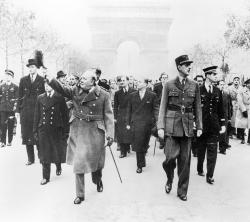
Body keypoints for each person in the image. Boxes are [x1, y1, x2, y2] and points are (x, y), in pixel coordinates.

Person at [47, 69, 114, 204]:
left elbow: (108, 116)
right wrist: (49, 78)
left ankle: (97, 179)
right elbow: (61, 88)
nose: (81, 80)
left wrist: (110, 135)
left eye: (84, 79)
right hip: (78, 129)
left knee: (96, 164)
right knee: (79, 163)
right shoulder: (75, 90)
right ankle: (80, 194)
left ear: (93, 81)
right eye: (81, 78)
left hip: (95, 131)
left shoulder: (104, 95)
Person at [157, 55, 202, 201]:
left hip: (187, 126)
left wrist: (199, 126)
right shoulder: (169, 84)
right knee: (169, 158)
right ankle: (170, 178)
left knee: (185, 161)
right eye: (186, 65)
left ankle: (182, 190)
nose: (189, 67)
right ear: (179, 67)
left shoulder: (194, 85)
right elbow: (162, 107)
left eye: (190, 64)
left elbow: (198, 108)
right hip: (171, 126)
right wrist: (160, 127)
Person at [33, 82, 69, 185]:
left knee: (56, 150)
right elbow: (37, 114)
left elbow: (65, 115)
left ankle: (58, 165)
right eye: (45, 85)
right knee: (44, 153)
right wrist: (35, 130)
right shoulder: (40, 98)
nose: (46, 87)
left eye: (48, 85)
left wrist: (66, 131)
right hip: (43, 129)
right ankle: (45, 177)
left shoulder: (59, 98)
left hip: (56, 129)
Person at [196, 66, 225, 185]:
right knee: (201, 150)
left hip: (214, 126)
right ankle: (199, 168)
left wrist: (222, 124)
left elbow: (221, 110)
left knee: (212, 150)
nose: (215, 76)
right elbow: (195, 108)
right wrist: (195, 123)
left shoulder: (218, 91)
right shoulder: (199, 90)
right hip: (202, 126)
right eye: (213, 74)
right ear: (207, 75)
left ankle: (210, 175)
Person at [126, 78, 159, 173]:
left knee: (145, 143)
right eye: (137, 82)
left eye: (140, 82)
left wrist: (157, 122)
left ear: (145, 84)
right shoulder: (132, 95)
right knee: (139, 143)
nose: (138, 84)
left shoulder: (152, 95)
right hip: (136, 123)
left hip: (148, 124)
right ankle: (139, 165)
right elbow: (129, 110)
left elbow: (156, 109)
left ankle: (143, 152)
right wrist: (128, 123)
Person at [18, 58, 45, 165]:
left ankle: (41, 157)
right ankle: (30, 159)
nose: (31, 69)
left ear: (36, 68)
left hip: (38, 111)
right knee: (27, 134)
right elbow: (19, 96)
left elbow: (44, 96)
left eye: (33, 67)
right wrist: (18, 110)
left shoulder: (42, 80)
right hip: (26, 112)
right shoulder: (23, 80)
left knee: (38, 134)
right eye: (29, 67)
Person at [114, 76, 136, 158]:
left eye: (123, 80)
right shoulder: (117, 93)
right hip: (121, 115)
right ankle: (123, 152)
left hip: (131, 114)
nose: (122, 82)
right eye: (120, 81)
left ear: (127, 81)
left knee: (129, 132)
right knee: (121, 133)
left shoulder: (133, 91)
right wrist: (115, 117)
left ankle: (127, 146)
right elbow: (115, 106)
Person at [0, 70, 18, 147]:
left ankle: (9, 140)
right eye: (6, 76)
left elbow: (17, 99)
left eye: (9, 76)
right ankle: (3, 142)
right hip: (3, 109)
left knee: (10, 125)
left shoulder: (15, 87)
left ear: (12, 77)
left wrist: (16, 109)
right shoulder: (1, 86)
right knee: (2, 124)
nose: (7, 77)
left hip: (11, 109)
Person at [218, 80, 233, 153]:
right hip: (216, 116)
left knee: (224, 133)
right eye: (221, 84)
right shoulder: (215, 93)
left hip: (225, 116)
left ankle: (223, 148)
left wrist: (229, 117)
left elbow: (229, 106)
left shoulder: (227, 94)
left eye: (223, 84)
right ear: (218, 85)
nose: (222, 86)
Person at [235, 79, 250, 144]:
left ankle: (249, 140)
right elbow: (240, 101)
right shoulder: (241, 90)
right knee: (243, 125)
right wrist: (244, 110)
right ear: (246, 84)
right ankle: (242, 138)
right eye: (249, 83)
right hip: (244, 109)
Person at [228, 75, 243, 139]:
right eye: (235, 80)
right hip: (232, 104)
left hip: (239, 105)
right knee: (232, 119)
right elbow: (228, 96)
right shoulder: (229, 88)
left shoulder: (242, 88)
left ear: (239, 81)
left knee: (239, 119)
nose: (236, 81)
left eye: (237, 80)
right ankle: (231, 133)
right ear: (233, 81)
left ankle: (239, 134)